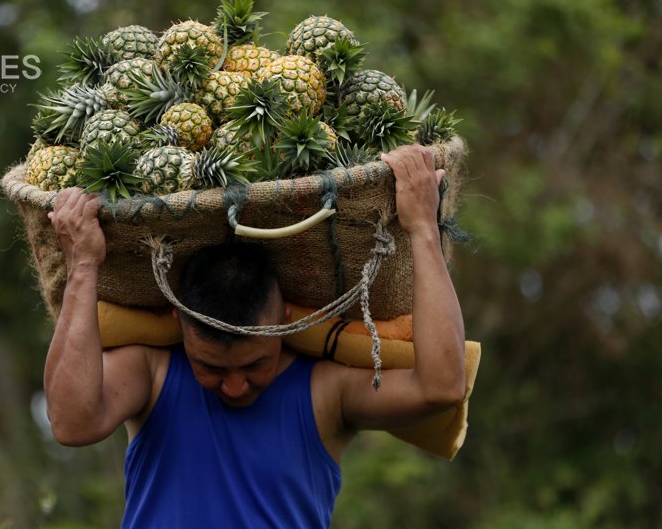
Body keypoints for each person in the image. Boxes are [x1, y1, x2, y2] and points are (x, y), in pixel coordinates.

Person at [43, 144, 466, 528]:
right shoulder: (152, 373)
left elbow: (443, 386)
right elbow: (70, 423)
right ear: (178, 323)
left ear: (284, 321)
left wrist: (422, 230)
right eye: (209, 366)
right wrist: (83, 266)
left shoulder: (324, 393)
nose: (234, 385)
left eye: (254, 364)